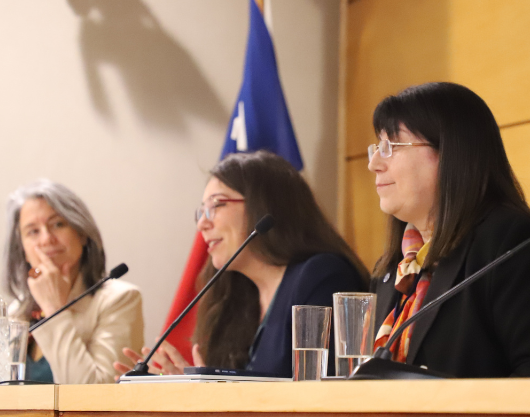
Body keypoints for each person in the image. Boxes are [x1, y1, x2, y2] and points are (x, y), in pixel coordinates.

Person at [366, 82, 530, 378]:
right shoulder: (394, 271)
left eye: (390, 146)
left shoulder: (513, 245)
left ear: (449, 152)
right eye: (376, 147)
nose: (373, 163)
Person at [116, 151, 368, 378]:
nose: (202, 224)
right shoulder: (235, 297)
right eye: (201, 211)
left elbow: (320, 394)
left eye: (216, 205)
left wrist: (213, 391)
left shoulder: (321, 276)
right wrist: (192, 384)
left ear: (266, 208)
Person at [3, 179, 144, 384]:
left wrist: (53, 309)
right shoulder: (17, 310)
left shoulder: (120, 300)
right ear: (22, 250)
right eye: (33, 231)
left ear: (82, 234)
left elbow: (94, 396)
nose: (46, 239)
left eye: (58, 224)